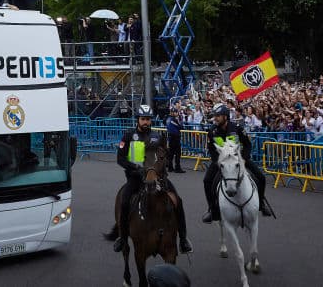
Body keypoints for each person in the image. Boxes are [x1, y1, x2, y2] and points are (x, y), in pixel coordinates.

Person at [112, 104, 193, 254]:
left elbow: (167, 156)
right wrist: (135, 168)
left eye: (148, 119)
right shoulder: (128, 136)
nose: (146, 122)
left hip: (157, 178)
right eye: (143, 119)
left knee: (178, 201)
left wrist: (161, 167)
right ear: (138, 120)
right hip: (135, 178)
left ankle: (183, 239)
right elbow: (120, 159)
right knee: (124, 202)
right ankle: (122, 238)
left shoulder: (158, 137)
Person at [202, 103, 273, 223]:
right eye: (214, 116)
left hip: (239, 159)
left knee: (261, 177)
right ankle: (212, 210)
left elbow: (247, 144)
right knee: (207, 181)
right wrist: (218, 162)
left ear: (225, 116)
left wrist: (243, 159)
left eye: (218, 116)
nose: (215, 118)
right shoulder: (212, 131)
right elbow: (211, 149)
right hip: (221, 162)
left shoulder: (237, 128)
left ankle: (261, 204)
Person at [166, 107, 184, 173]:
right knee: (177, 154)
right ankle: (177, 168)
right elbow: (181, 127)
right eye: (176, 112)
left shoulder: (168, 119)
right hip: (175, 138)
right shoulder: (174, 120)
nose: (177, 113)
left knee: (171, 153)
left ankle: (170, 168)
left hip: (170, 137)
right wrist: (180, 120)